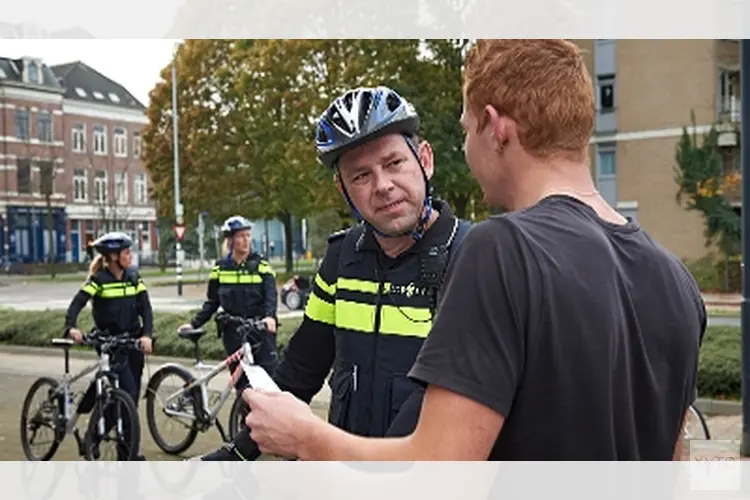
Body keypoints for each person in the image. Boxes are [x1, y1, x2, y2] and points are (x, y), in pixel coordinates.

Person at [241, 39, 707, 461]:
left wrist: (303, 435)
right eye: (361, 175)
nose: (465, 147)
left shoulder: (502, 249)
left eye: (466, 129)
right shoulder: (677, 280)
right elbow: (672, 464)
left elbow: (437, 472)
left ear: (495, 127)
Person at [192, 85, 472, 461]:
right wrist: (237, 456)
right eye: (361, 176)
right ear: (343, 189)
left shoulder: (473, 255)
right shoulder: (342, 259)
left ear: (425, 159)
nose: (383, 186)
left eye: (394, 163)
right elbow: (301, 372)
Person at [64, 231, 154, 461]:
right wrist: (71, 327)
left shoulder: (134, 277)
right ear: (113, 256)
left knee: (128, 399)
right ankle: (123, 451)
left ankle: (111, 445)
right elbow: (78, 302)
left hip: (133, 343)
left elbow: (146, 308)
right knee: (126, 392)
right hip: (110, 343)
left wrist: (147, 335)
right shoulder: (99, 281)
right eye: (126, 252)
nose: (130, 256)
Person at [178, 215, 279, 389]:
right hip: (233, 332)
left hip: (259, 330)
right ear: (230, 241)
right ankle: (241, 415)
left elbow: (271, 296)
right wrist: (194, 323)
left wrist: (270, 318)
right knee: (242, 386)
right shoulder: (220, 268)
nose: (246, 240)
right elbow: (212, 302)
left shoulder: (261, 265)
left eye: (247, 235)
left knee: (268, 383)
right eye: (240, 236)